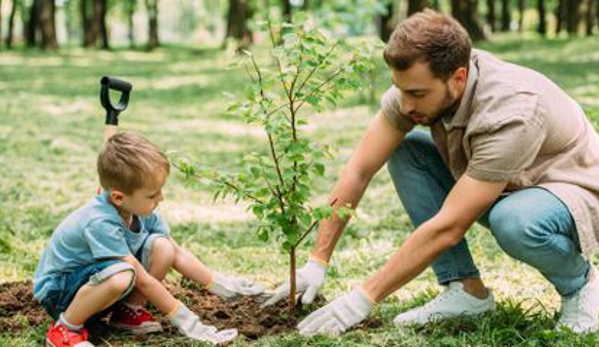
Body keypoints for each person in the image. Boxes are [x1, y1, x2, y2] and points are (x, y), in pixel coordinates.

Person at [264, 9, 599, 336]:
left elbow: (450, 226)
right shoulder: (417, 89)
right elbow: (359, 170)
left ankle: (581, 285)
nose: (406, 104)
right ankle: (466, 291)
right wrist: (316, 261)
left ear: (458, 78)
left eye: (417, 94)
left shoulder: (513, 112)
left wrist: (363, 297)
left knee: (514, 221)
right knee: (406, 151)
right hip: (507, 183)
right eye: (401, 89)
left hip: (571, 189)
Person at [34, 132, 264, 347]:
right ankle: (65, 329)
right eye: (153, 194)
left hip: (96, 285)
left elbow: (177, 253)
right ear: (118, 197)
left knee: (163, 247)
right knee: (122, 274)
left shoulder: (141, 211)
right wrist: (187, 321)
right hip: (60, 291)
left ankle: (128, 311)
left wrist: (222, 285)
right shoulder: (100, 222)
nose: (161, 198)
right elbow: (141, 279)